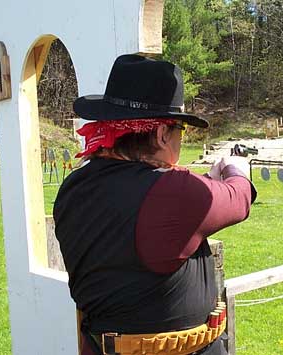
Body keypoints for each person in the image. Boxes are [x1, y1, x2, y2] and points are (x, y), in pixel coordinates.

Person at [53, 54, 256, 355]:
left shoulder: (75, 186)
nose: (179, 140)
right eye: (179, 131)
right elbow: (238, 199)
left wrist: (203, 180)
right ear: (162, 134)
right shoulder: (173, 194)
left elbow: (137, 205)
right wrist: (236, 168)